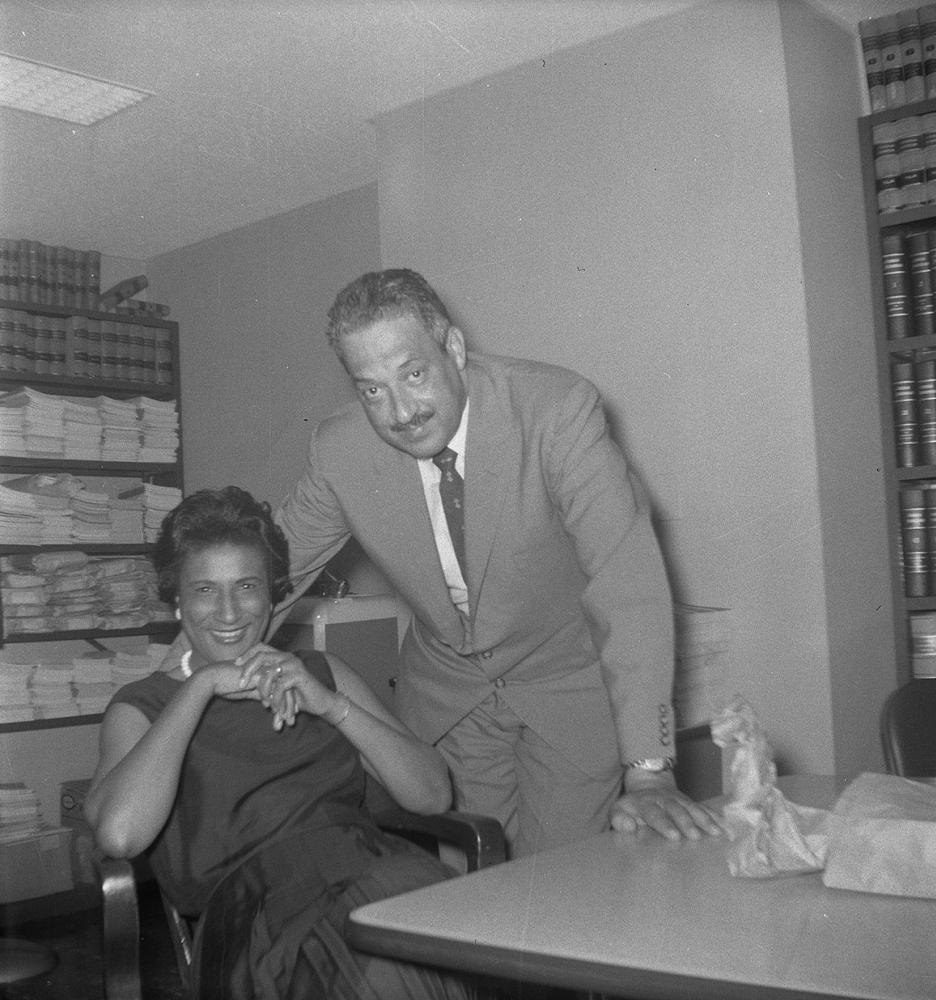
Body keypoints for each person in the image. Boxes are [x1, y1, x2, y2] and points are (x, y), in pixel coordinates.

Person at [274, 268, 726, 858]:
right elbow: (266, 569)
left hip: (566, 692)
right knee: (470, 898)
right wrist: (182, 673)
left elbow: (627, 583)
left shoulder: (556, 412)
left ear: (454, 348)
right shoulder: (340, 450)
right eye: (372, 390)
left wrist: (648, 770)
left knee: (564, 893)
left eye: (413, 374)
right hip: (449, 703)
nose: (401, 411)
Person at [85, 486, 470, 1000]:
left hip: (375, 873)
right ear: (177, 602)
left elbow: (432, 795)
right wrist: (201, 687)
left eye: (247, 586)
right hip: (256, 919)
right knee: (380, 960)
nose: (228, 612)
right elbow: (119, 835)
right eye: (204, 590)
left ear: (272, 597)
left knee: (454, 932)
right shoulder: (146, 704)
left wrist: (330, 706)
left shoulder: (319, 673)